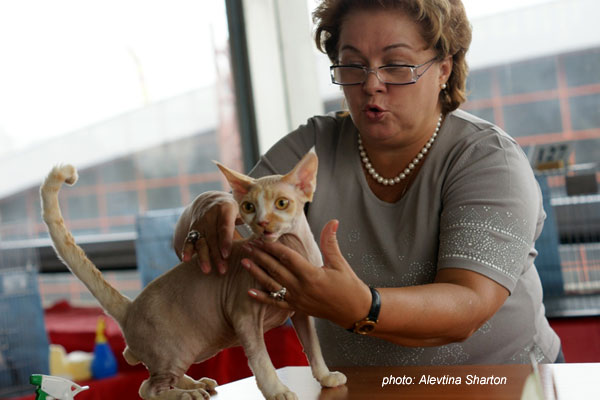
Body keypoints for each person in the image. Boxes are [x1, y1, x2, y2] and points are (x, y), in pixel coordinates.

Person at [173, 0, 562, 366]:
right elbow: (211, 243)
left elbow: (468, 306)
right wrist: (204, 208)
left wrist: (365, 308)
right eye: (353, 66)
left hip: (503, 382)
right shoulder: (313, 146)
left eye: (396, 65)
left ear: (443, 68)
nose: (371, 84)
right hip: (360, 387)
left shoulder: (488, 159)